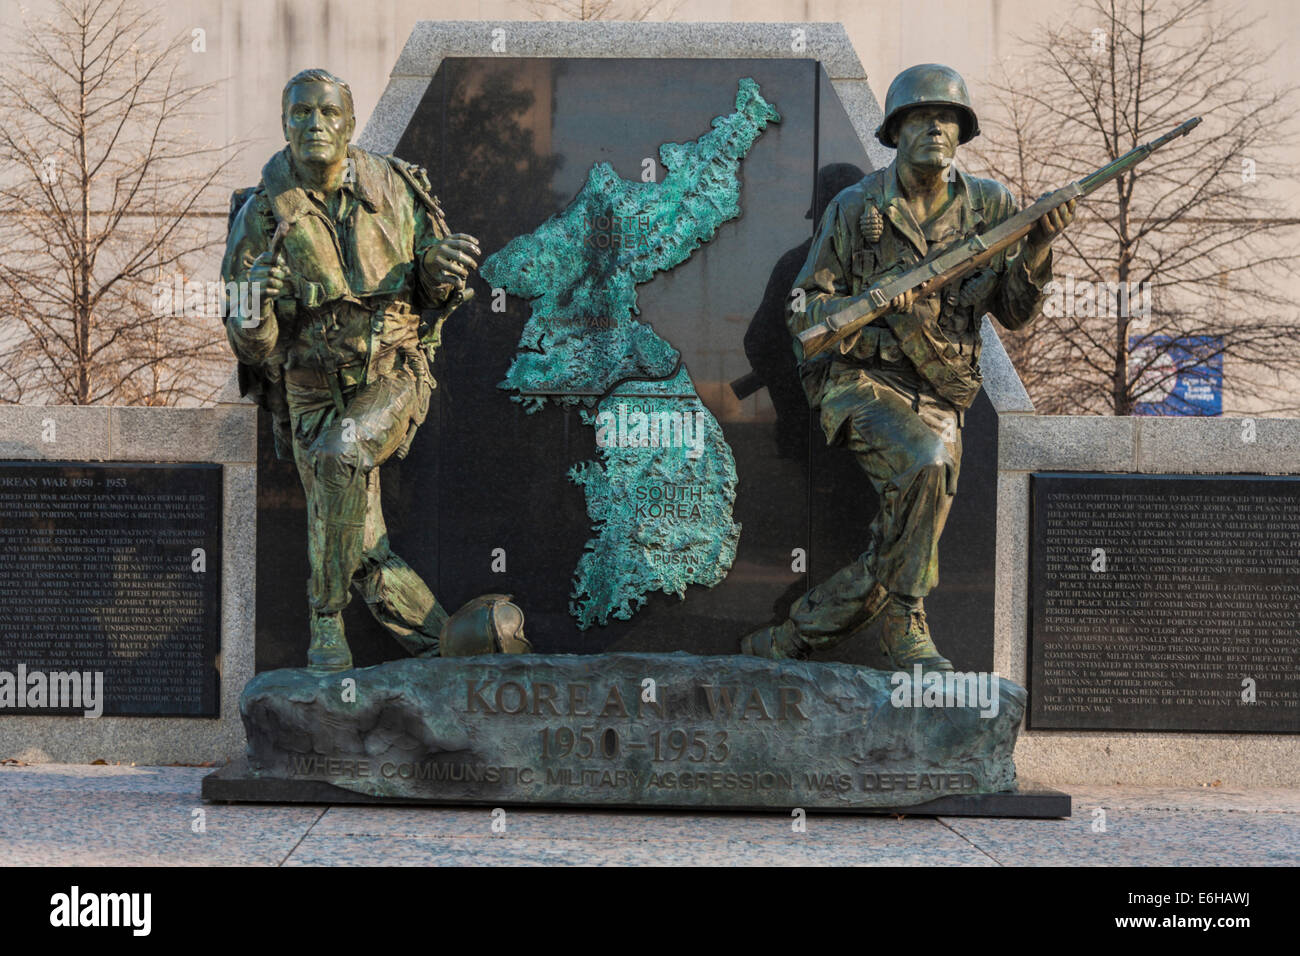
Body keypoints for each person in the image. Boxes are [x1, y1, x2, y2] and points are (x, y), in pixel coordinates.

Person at [741, 64, 1075, 671]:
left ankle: (792, 640)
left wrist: (1038, 248)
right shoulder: (854, 207)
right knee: (926, 463)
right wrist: (866, 308)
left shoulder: (993, 206)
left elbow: (1016, 314)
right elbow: (803, 310)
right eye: (920, 117)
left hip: (942, 387)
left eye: (947, 118)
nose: (935, 129)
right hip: (859, 382)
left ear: (962, 132)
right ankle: (905, 626)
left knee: (906, 522)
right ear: (894, 130)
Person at [221, 69, 483, 672]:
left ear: (350, 122)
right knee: (361, 547)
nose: (315, 125)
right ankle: (454, 650)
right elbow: (250, 348)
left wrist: (437, 271)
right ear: (284, 123)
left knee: (341, 454)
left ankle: (325, 621)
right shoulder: (260, 216)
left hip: (392, 373)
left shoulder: (394, 188)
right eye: (301, 114)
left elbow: (431, 295)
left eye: (327, 113)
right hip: (308, 388)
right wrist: (256, 305)